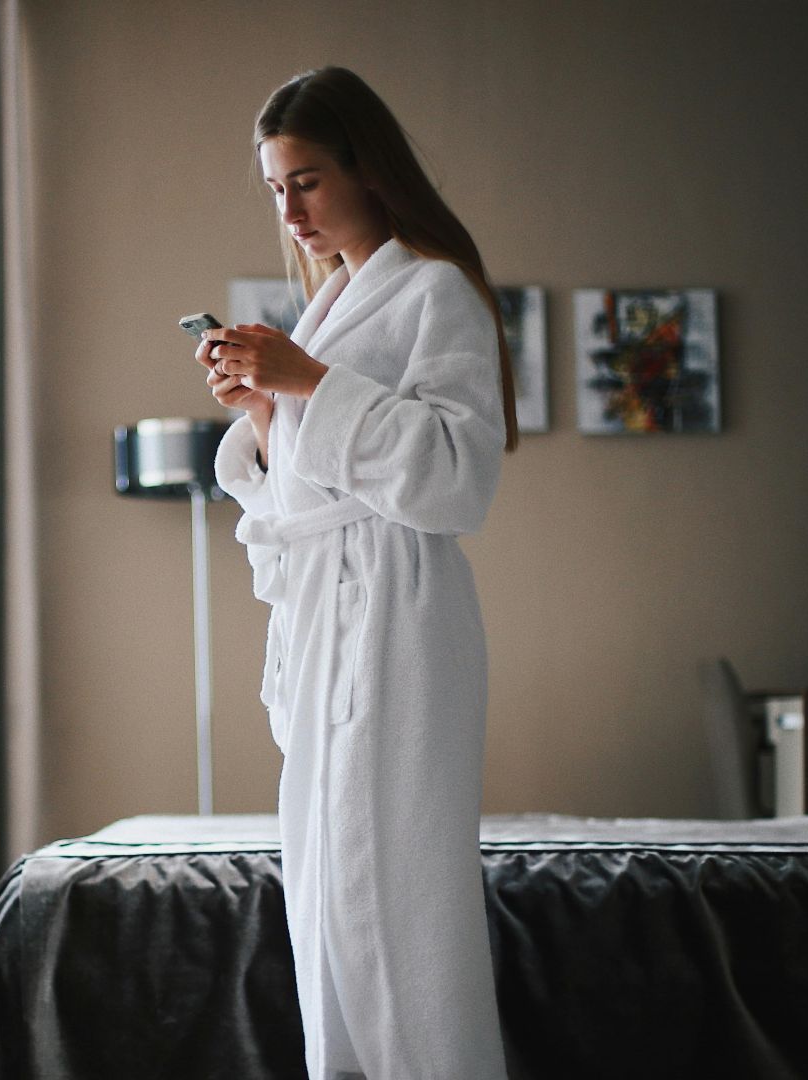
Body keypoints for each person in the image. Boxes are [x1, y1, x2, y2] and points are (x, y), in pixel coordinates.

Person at [197, 67, 518, 1080]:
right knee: (330, 893)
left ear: (366, 167)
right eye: (275, 190)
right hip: (329, 622)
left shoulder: (433, 290)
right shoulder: (330, 308)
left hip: (400, 620)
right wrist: (266, 416)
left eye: (307, 180)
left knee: (399, 905)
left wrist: (307, 384)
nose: (289, 211)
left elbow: (459, 481)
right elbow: (302, 499)